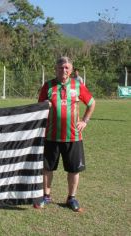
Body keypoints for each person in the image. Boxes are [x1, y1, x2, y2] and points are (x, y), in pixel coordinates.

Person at [35, 56, 95, 212]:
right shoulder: (47, 86)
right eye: (61, 67)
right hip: (51, 136)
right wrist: (44, 105)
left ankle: (71, 198)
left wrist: (85, 121)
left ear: (71, 69)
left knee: (74, 169)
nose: (64, 70)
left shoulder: (77, 85)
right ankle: (46, 196)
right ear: (55, 69)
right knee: (47, 168)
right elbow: (38, 107)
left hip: (73, 136)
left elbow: (91, 103)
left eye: (67, 67)